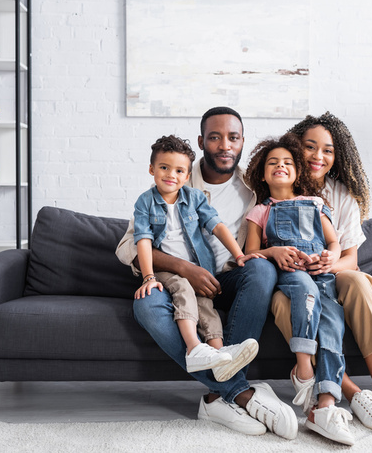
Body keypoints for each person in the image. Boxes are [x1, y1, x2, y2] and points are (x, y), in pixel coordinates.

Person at [116, 107, 298, 439]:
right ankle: (235, 393)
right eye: (215, 137)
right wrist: (184, 267)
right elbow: (127, 246)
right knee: (145, 304)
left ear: (243, 142)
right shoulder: (177, 177)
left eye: (233, 137)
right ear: (202, 142)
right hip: (178, 279)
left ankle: (222, 392)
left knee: (260, 268)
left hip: (227, 279)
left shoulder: (254, 189)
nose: (224, 145)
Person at [270, 112, 372, 433]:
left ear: (337, 157)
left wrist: (328, 263)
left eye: (327, 150)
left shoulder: (342, 196)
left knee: (354, 279)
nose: (318, 156)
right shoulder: (279, 184)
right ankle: (353, 393)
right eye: (310, 147)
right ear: (295, 147)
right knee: (290, 303)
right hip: (293, 280)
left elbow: (350, 258)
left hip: (334, 273)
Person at [243, 134, 354, 446]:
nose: (280, 165)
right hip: (291, 273)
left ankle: (328, 401)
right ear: (262, 174)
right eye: (272, 162)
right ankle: (303, 366)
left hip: (322, 273)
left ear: (298, 171)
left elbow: (333, 241)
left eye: (287, 162)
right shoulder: (259, 211)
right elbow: (250, 253)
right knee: (306, 292)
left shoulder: (316, 204)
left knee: (332, 322)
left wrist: (332, 255)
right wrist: (273, 252)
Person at [132, 135, 261, 382]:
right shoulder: (145, 202)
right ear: (152, 169)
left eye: (179, 170)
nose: (171, 174)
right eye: (164, 167)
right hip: (168, 271)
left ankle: (220, 355)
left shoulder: (195, 198)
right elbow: (143, 240)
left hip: (199, 266)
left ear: (187, 174)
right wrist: (148, 277)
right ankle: (194, 349)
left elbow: (218, 227)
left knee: (206, 305)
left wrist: (239, 255)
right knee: (182, 289)